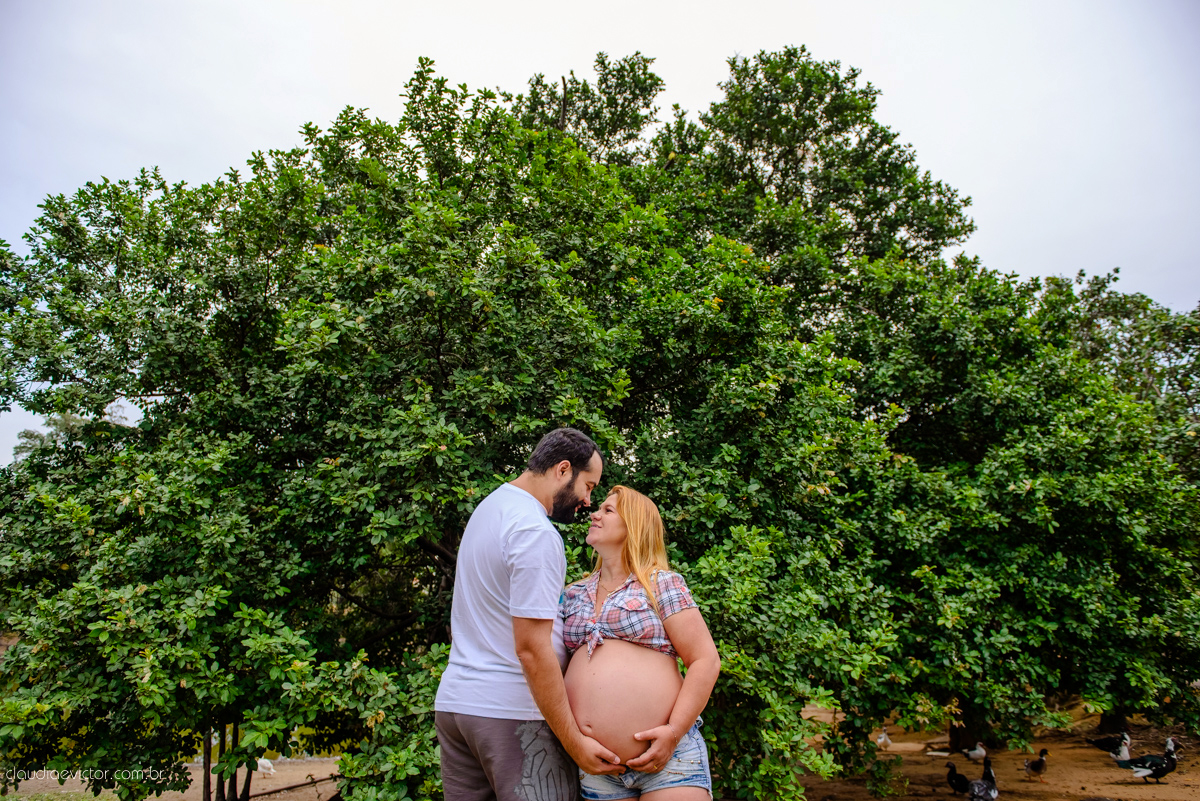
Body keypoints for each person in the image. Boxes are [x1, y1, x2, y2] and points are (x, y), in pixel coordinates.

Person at [435, 428, 624, 801]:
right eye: (588, 486)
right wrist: (574, 742)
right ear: (563, 469)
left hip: (457, 706)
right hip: (511, 715)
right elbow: (532, 650)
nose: (588, 501)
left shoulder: (490, 509)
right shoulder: (534, 531)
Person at [561, 485, 721, 800]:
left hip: (671, 762)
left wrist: (673, 733)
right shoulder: (572, 592)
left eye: (608, 510)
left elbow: (705, 660)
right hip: (598, 767)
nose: (595, 513)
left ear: (633, 525)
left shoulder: (661, 583)